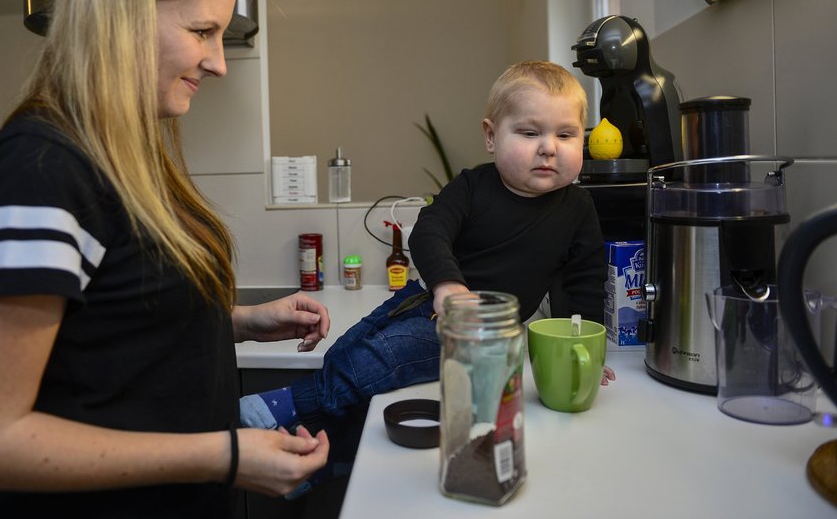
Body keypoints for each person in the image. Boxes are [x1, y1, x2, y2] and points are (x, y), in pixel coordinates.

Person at [0, 0, 330, 518]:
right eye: (202, 30)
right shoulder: (36, 170)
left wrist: (242, 321)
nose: (219, 63)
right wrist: (223, 456)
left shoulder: (129, 160)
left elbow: (114, 330)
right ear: (116, 14)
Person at [241, 61, 614, 482]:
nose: (549, 147)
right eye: (530, 133)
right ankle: (313, 460)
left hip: (473, 338)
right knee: (346, 351)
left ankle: (277, 408)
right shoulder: (471, 187)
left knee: (377, 362)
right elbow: (428, 232)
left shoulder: (577, 209)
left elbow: (584, 278)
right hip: (420, 302)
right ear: (491, 136)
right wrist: (449, 285)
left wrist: (586, 350)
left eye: (565, 135)